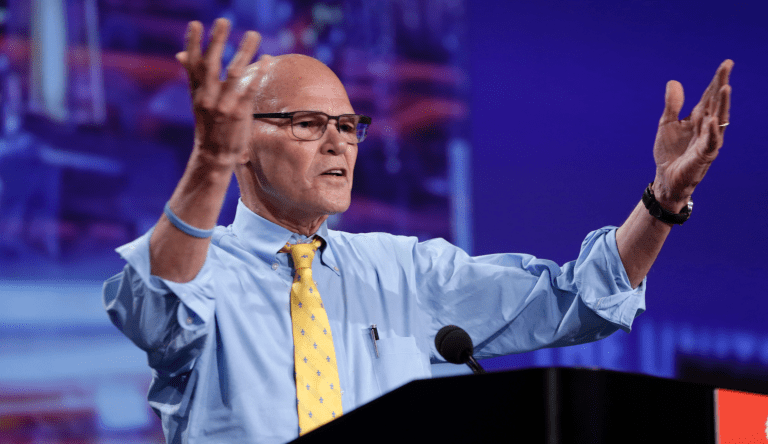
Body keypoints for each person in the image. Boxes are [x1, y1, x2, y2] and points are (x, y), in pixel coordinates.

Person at [103, 18, 732, 444]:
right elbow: (155, 306)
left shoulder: (404, 271)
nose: (337, 143)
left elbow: (574, 300)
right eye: (306, 123)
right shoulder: (204, 271)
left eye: (349, 125)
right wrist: (209, 160)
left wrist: (664, 200)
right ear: (242, 142)